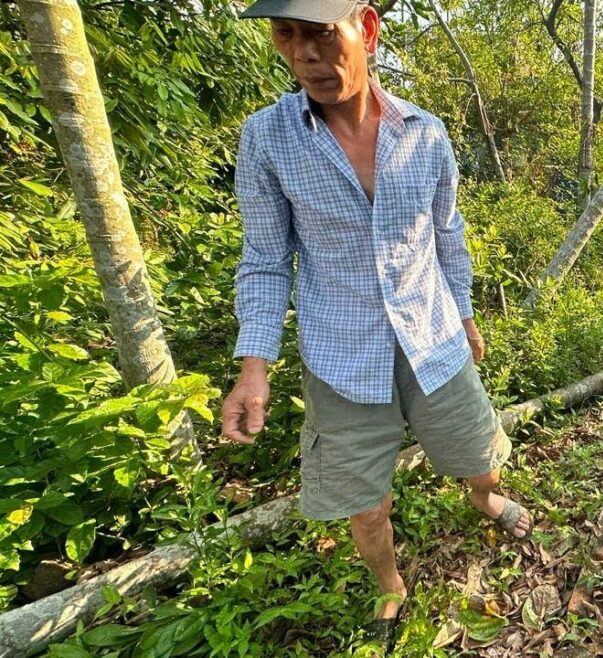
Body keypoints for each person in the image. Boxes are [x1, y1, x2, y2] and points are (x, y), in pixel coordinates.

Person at [219, 0, 532, 635]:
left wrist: (467, 317)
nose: (305, 54)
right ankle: (390, 583)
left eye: (320, 34)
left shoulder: (425, 133)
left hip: (434, 336)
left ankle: (485, 498)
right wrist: (255, 370)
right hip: (341, 354)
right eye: (287, 35)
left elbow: (448, 236)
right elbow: (265, 257)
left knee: (477, 450)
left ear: (364, 27)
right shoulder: (267, 137)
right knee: (365, 502)